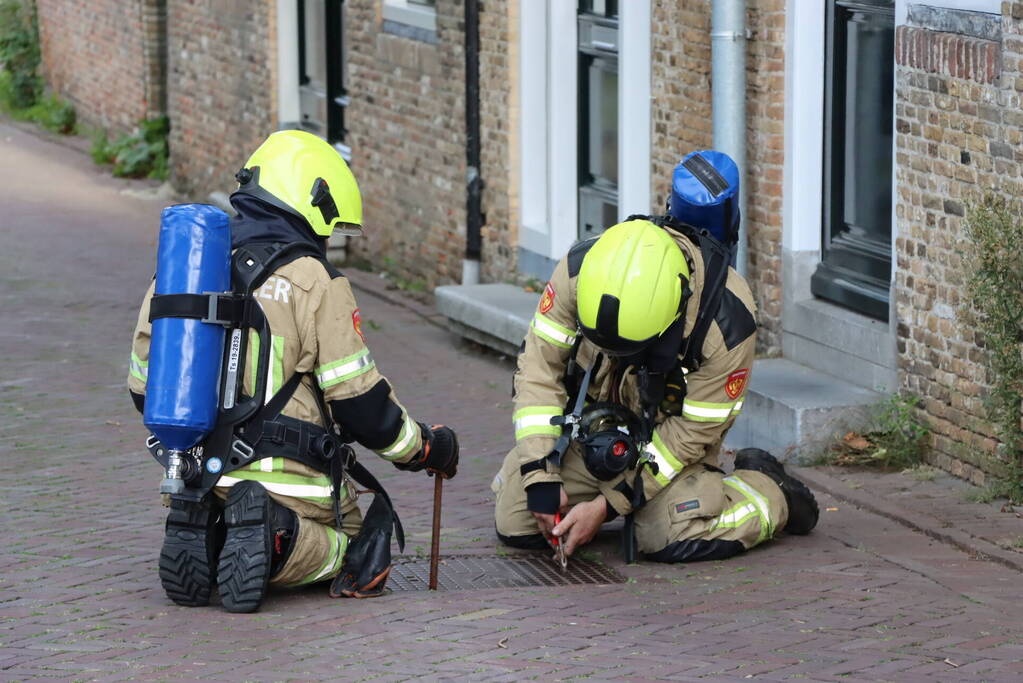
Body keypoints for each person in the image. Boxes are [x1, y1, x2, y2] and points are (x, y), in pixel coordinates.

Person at [128, 130, 458, 612]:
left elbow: (143, 384)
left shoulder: (184, 268)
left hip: (196, 468)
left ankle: (207, 528)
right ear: (314, 202)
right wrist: (422, 447)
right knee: (353, 541)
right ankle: (277, 535)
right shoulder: (315, 280)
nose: (326, 240)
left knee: (226, 519)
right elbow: (360, 403)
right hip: (290, 481)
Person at [492, 216, 818, 563]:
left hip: (668, 445)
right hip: (593, 430)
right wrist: (541, 475)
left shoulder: (726, 327)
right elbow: (538, 372)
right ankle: (609, 503)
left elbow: (692, 434)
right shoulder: (579, 272)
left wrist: (606, 506)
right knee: (517, 522)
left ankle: (768, 490)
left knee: (666, 536)